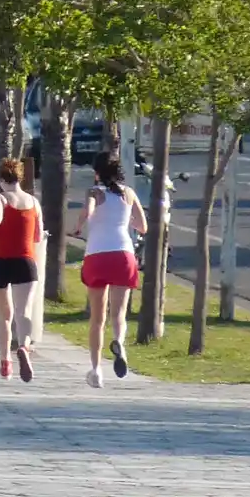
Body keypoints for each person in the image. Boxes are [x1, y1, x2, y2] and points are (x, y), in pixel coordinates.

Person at [74, 151, 147, 388]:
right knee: (119, 313)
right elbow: (143, 227)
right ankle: (120, 343)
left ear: (97, 173)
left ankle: (96, 371)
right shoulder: (129, 193)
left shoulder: (95, 192)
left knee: (97, 318)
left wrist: (79, 225)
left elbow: (90, 210)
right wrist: (126, 222)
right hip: (123, 254)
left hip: (97, 255)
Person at [0, 158, 44, 381]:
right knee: (24, 312)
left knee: (4, 314)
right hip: (25, 261)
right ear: (20, 178)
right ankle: (23, 346)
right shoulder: (33, 201)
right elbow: (38, 235)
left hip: (0, 261)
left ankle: (6, 361)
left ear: (2, 179)